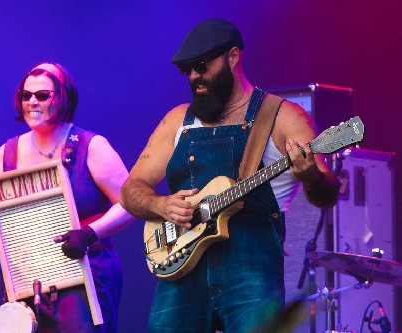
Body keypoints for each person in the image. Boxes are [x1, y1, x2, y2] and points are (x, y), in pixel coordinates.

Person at [120, 18, 340, 333]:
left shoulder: (282, 116)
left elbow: (326, 193)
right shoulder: (177, 121)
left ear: (233, 57)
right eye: (188, 70)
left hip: (251, 274)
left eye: (202, 66)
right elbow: (130, 189)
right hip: (181, 273)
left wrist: (311, 177)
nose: (195, 76)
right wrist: (160, 205)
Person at [0, 62, 134, 332]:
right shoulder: (7, 154)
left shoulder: (91, 147)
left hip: (84, 278)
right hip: (24, 284)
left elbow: (132, 204)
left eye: (42, 95)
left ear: (63, 97)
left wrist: (90, 232)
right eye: (26, 96)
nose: (32, 102)